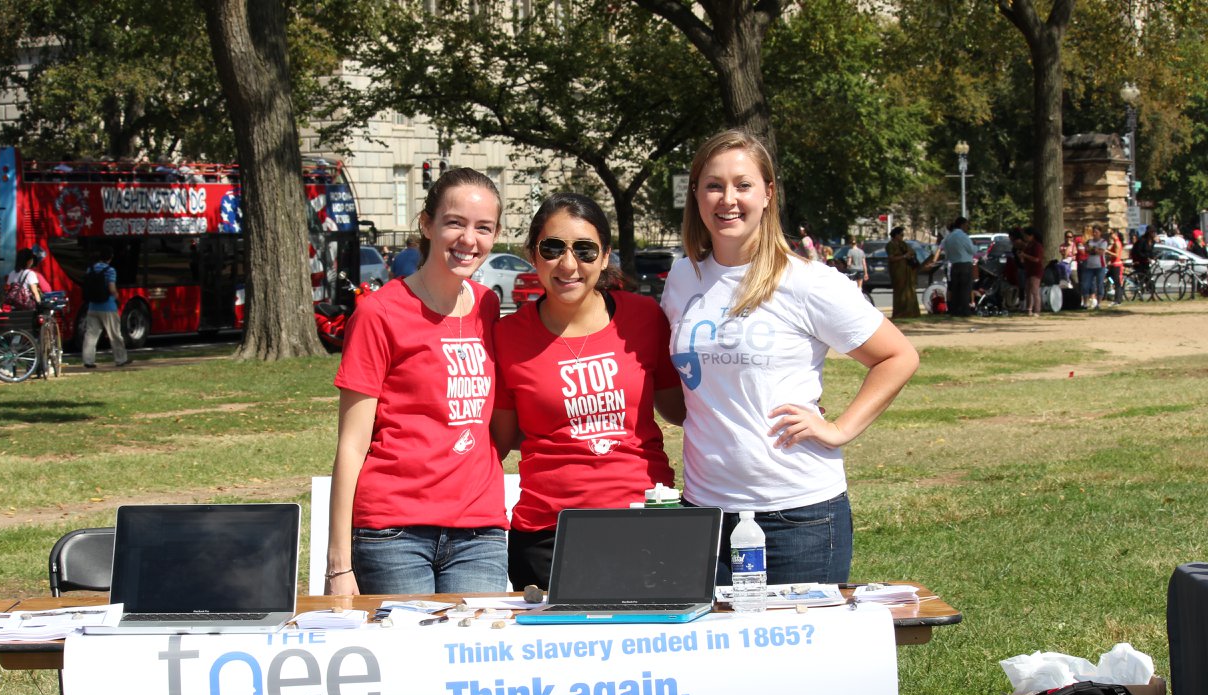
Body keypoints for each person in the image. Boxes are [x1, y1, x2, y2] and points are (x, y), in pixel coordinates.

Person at [660, 129, 919, 585]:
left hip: (798, 516)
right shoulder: (683, 277)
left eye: (743, 185)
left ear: (768, 194)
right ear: (696, 194)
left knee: (799, 657)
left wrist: (839, 429)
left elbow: (897, 356)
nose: (728, 199)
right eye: (714, 185)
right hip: (704, 512)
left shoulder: (806, 281)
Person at [326, 168, 507, 596]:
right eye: (455, 222)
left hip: (479, 533)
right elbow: (351, 444)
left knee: (473, 658)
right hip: (394, 534)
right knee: (407, 662)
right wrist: (338, 565)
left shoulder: (488, 306)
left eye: (483, 228)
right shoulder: (379, 313)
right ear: (427, 225)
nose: (469, 239)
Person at [491, 193, 684, 590]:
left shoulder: (644, 318)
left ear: (605, 255)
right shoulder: (508, 336)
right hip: (549, 532)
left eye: (584, 250)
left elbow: (681, 408)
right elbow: (503, 437)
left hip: (646, 520)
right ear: (532, 253)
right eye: (552, 248)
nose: (568, 264)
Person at [81, 247, 131, 368]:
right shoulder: (110, 270)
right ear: (110, 258)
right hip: (108, 307)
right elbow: (111, 288)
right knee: (114, 334)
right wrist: (117, 297)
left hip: (92, 306)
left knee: (91, 335)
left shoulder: (90, 269)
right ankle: (120, 359)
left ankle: (88, 361)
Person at [940, 217, 976, 316]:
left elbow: (946, 252)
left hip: (954, 264)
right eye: (966, 225)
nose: (967, 227)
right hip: (965, 263)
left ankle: (955, 309)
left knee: (955, 289)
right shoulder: (963, 236)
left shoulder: (948, 237)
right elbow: (972, 250)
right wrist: (975, 246)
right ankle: (964, 310)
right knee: (965, 288)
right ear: (962, 225)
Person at [885, 226, 922, 318]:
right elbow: (891, 258)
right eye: (901, 235)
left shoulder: (903, 244)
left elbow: (912, 252)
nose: (902, 237)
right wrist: (904, 256)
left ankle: (911, 312)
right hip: (897, 271)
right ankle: (899, 313)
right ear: (896, 235)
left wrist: (910, 255)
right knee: (899, 291)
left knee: (909, 291)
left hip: (907, 270)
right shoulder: (890, 245)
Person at [1081, 225, 1108, 310]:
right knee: (1086, 284)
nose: (1094, 233)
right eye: (1093, 232)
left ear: (1100, 232)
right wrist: (1094, 249)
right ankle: (1085, 303)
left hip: (1100, 266)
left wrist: (1093, 249)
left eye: (1096, 232)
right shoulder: (1089, 241)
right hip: (1089, 266)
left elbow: (1101, 252)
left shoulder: (1103, 242)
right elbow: (1086, 250)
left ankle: (1098, 304)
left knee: (1099, 284)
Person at [1020, 227, 1045, 316]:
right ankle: (1029, 308)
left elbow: (1036, 259)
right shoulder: (1028, 245)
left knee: (1034, 290)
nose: (1025, 237)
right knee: (1028, 290)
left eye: (1026, 236)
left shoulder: (1037, 246)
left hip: (1036, 270)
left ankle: (1037, 309)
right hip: (1028, 269)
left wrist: (1025, 256)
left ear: (1032, 236)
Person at [1106, 229, 1125, 306]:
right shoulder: (1114, 243)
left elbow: (1117, 255)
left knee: (1117, 283)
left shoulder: (1117, 243)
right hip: (1113, 264)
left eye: (1111, 233)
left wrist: (1107, 252)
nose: (1110, 235)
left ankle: (1118, 300)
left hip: (1117, 265)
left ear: (1116, 234)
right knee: (1109, 277)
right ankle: (1112, 285)